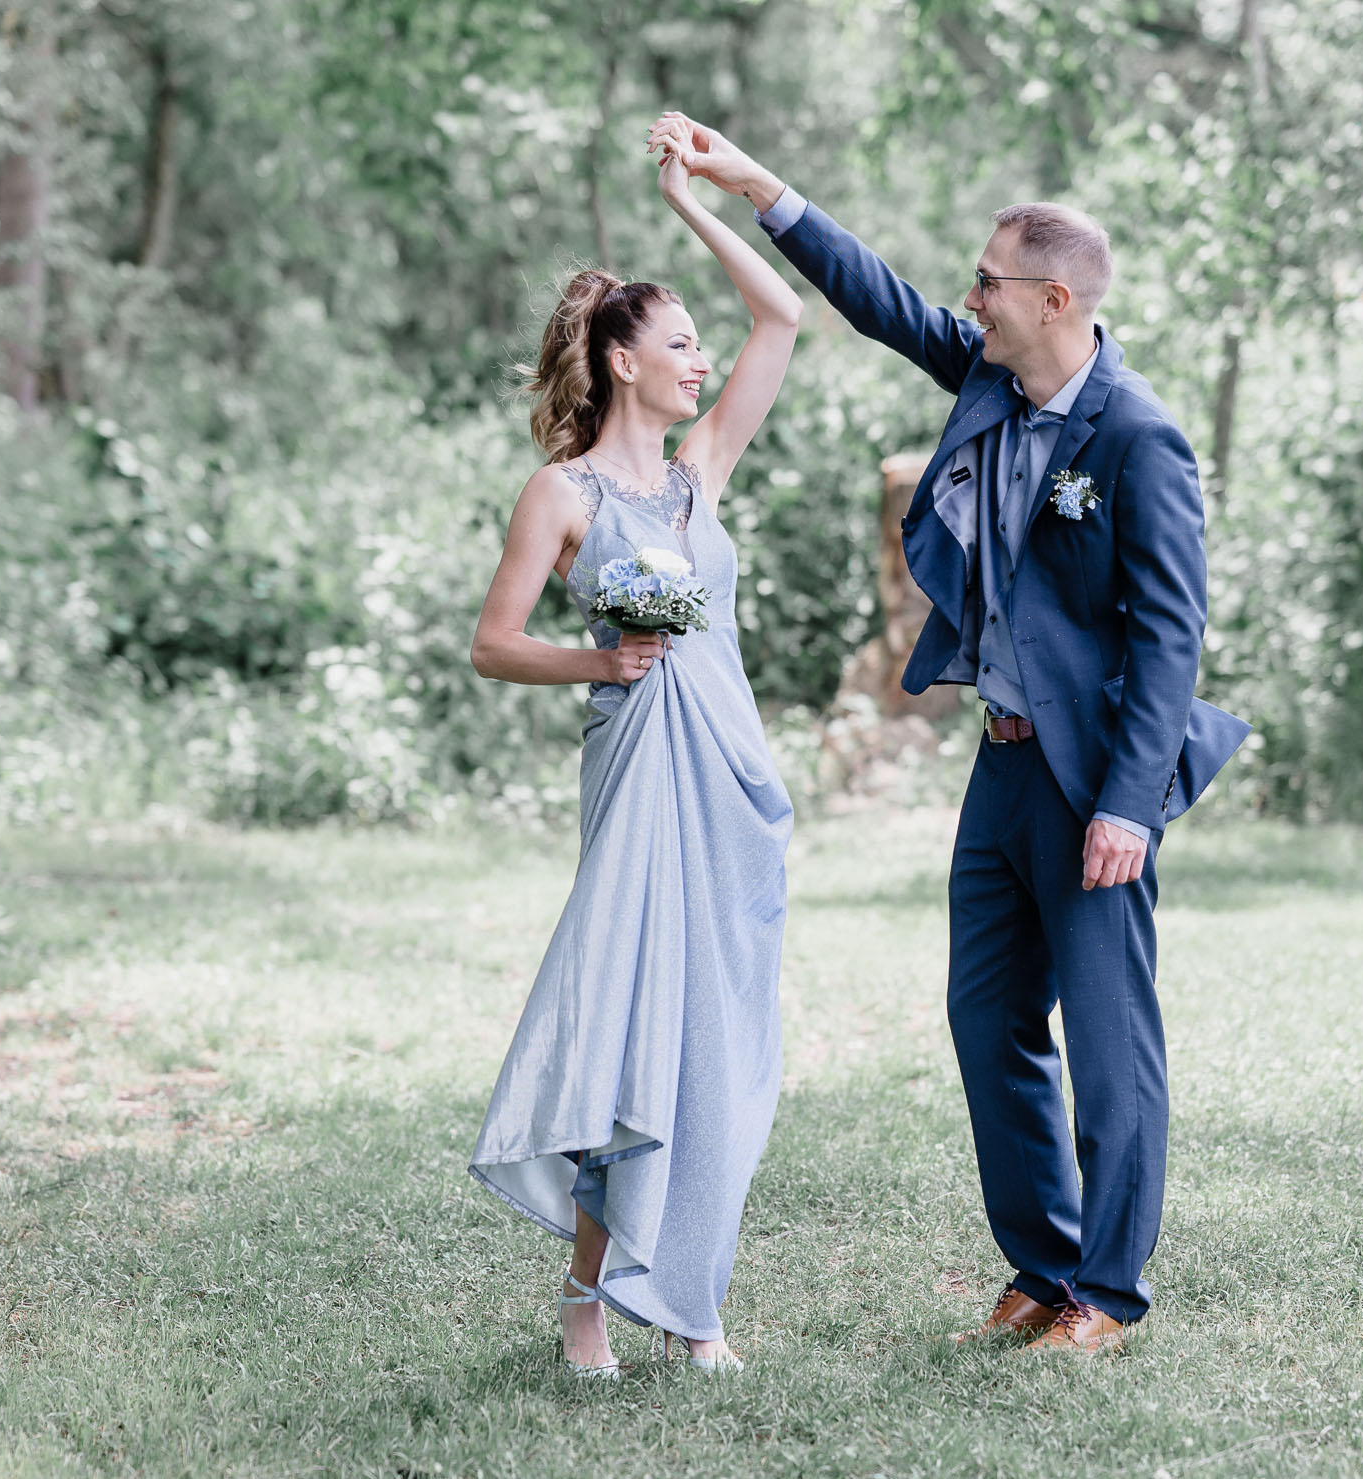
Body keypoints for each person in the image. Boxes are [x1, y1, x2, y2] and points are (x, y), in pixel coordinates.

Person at [660, 113, 1250, 1354]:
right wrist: (753, 184)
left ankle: (1106, 1295)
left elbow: (1169, 639)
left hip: (1093, 780)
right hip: (999, 763)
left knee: (1108, 1042)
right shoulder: (989, 374)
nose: (968, 298)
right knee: (987, 1021)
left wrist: (1127, 805)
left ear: (1052, 299)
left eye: (987, 281)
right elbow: (876, 298)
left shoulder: (1136, 436)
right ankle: (1040, 1266)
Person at [465, 116, 801, 1377]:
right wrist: (598, 660)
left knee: (718, 1031)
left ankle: (693, 1299)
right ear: (618, 359)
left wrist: (693, 203)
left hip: (726, 766)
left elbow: (782, 317)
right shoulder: (561, 494)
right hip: (634, 764)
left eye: (698, 346)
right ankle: (588, 1300)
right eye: (677, 343)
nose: (700, 361)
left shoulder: (701, 472)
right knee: (631, 1023)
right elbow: (495, 644)